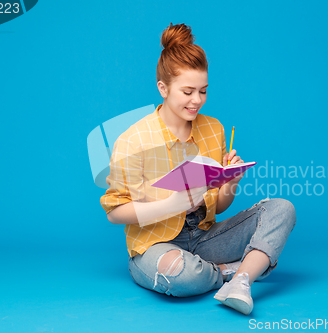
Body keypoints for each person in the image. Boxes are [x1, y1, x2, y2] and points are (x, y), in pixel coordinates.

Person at [100, 22, 296, 315]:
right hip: (155, 245)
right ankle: (229, 271)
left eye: (203, 91)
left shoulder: (213, 129)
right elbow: (115, 212)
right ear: (163, 88)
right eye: (188, 91)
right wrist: (170, 204)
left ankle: (241, 280)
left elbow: (218, 208)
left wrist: (232, 180)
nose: (197, 101)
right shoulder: (134, 139)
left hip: (203, 238)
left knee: (282, 208)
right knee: (182, 275)